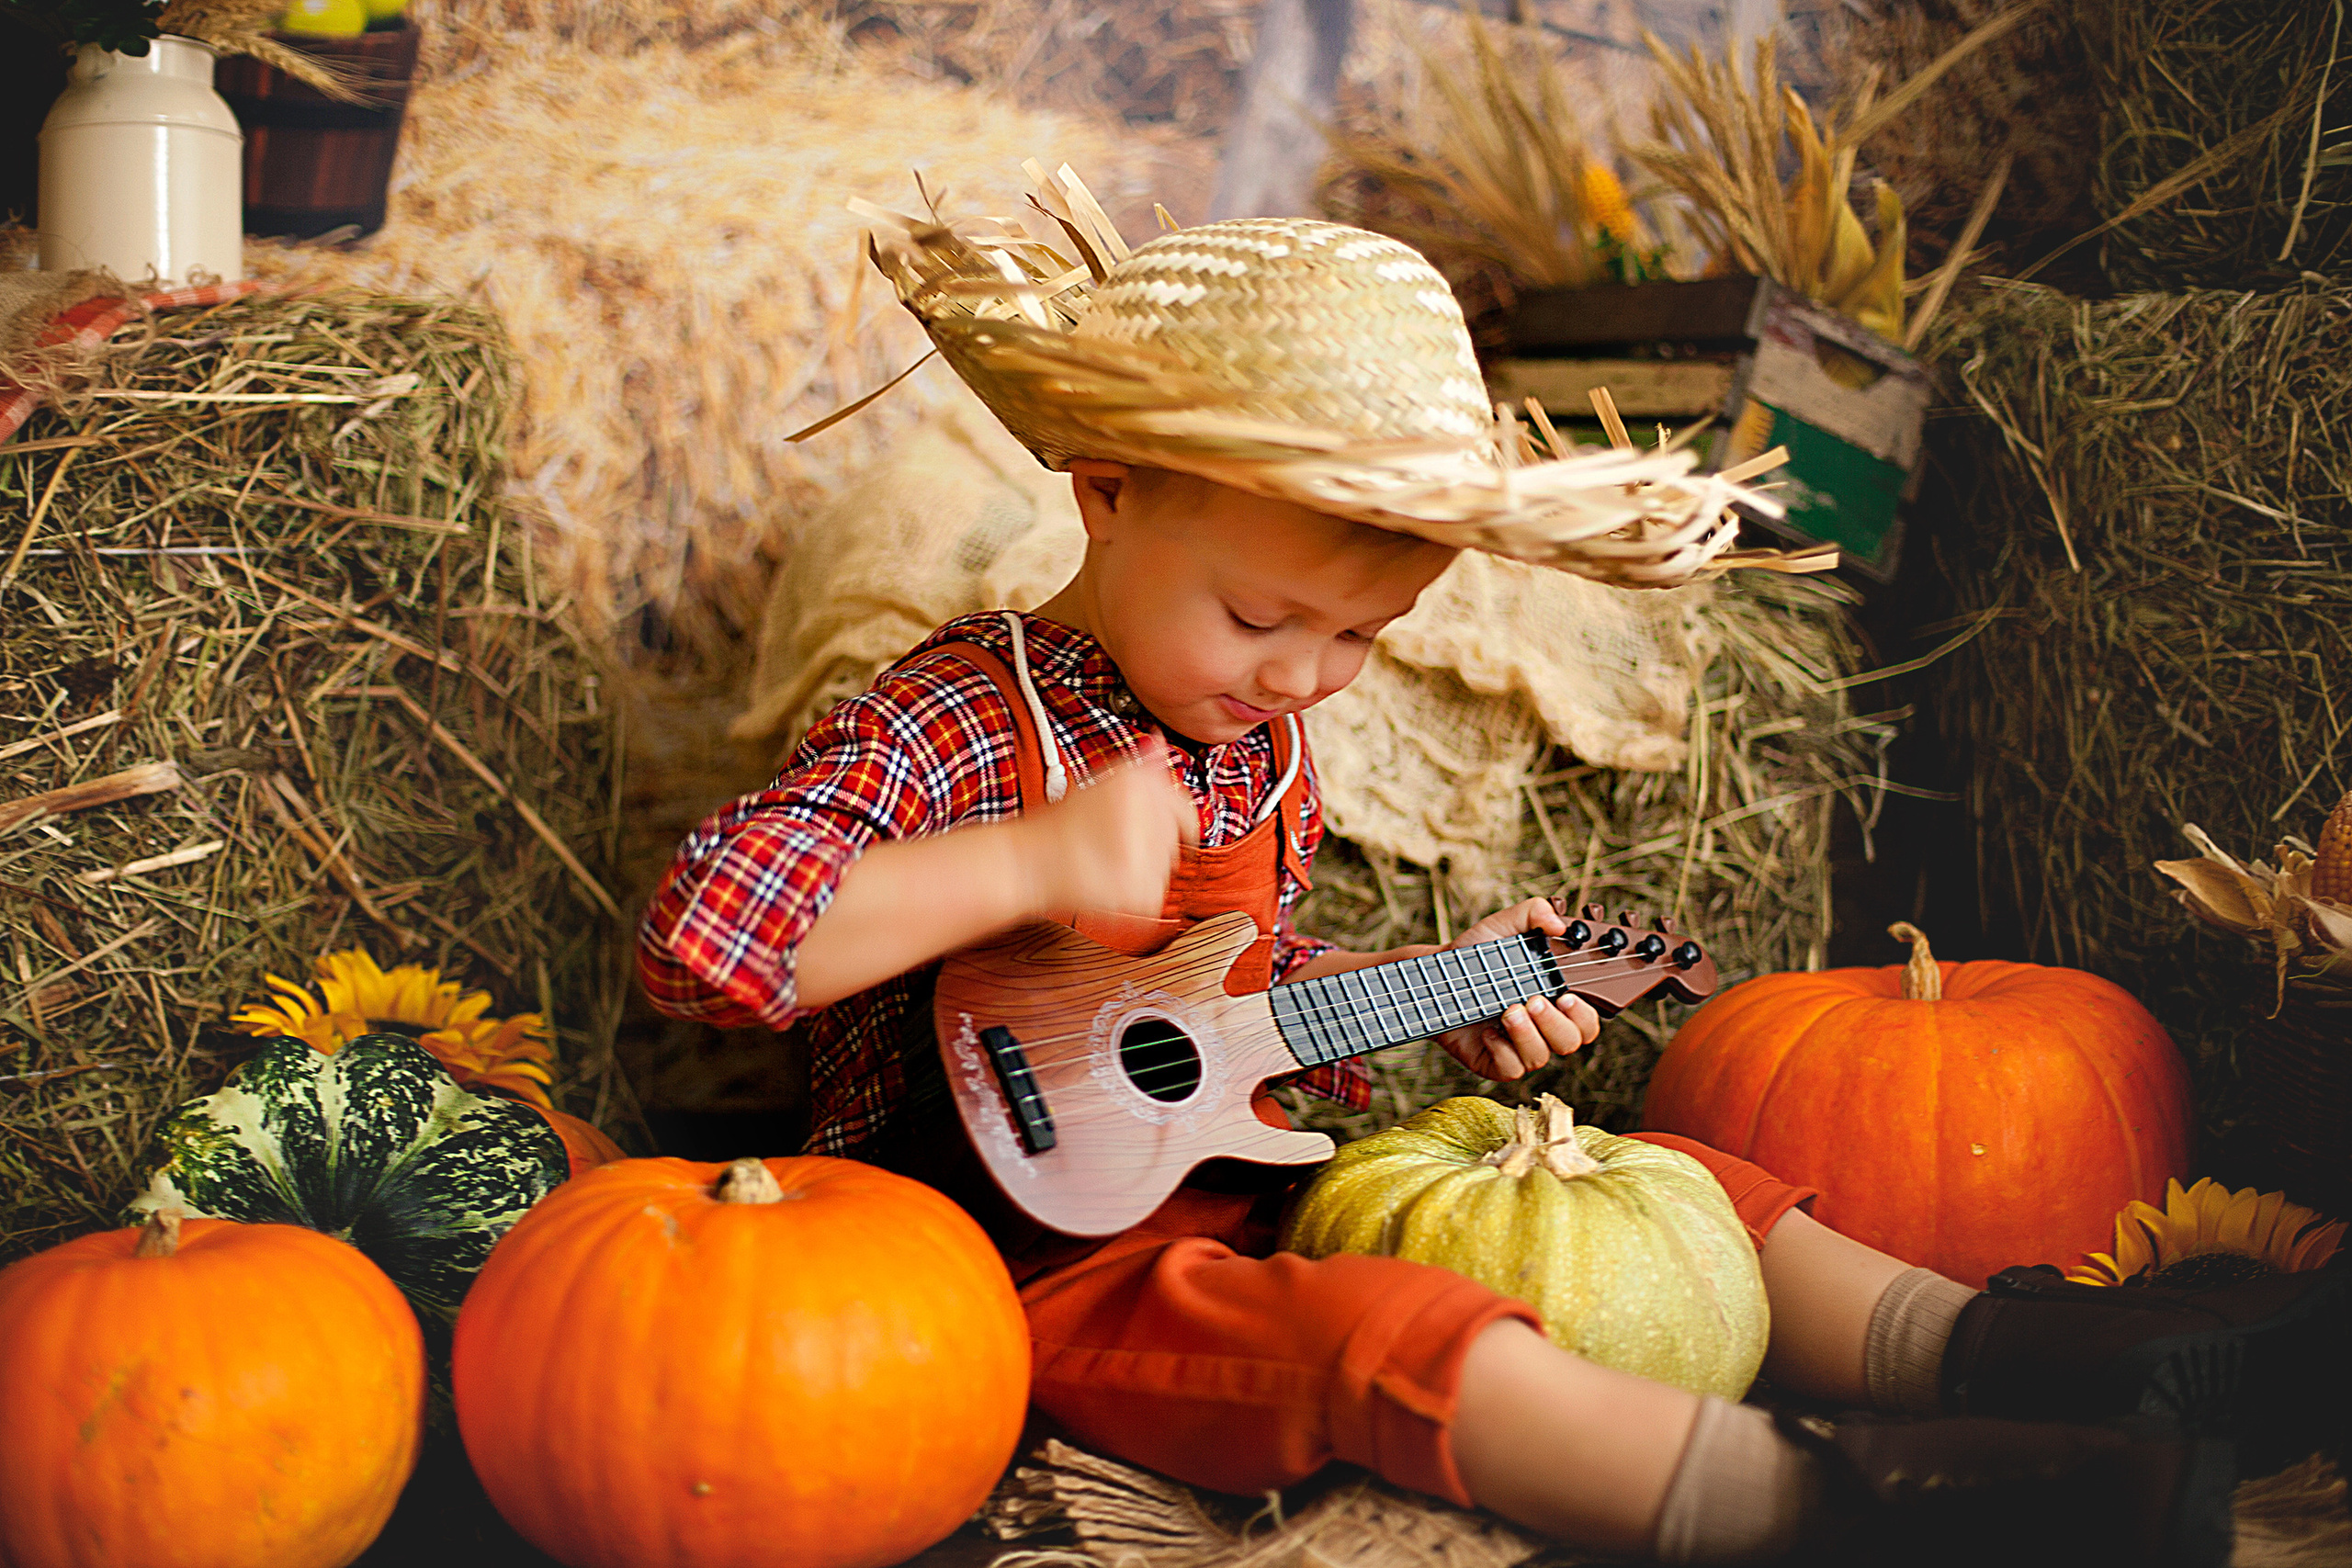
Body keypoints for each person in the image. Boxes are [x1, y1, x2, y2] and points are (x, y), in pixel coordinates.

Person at [640, 185, 2341, 1565]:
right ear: (1107, 491)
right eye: (1260, 618)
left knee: (1653, 1178)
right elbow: (706, 945)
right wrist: (1025, 856)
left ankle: (2034, 1355)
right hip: (994, 1268)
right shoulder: (957, 717)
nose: (1307, 677)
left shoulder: (1261, 744)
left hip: (1232, 1192)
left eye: (1362, 638)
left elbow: (1202, 1048)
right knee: (1373, 1340)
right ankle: (1865, 1508)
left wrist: (1441, 1003)